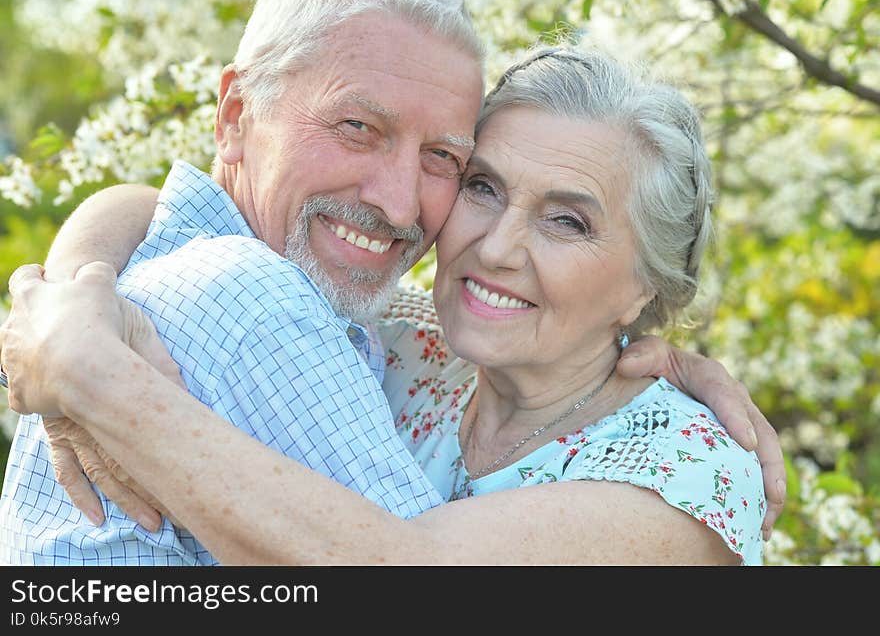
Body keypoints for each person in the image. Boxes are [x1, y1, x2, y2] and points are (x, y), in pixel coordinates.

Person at [3, 45, 768, 564]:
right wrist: (76, 292)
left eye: (567, 220)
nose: (497, 248)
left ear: (648, 285)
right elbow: (173, 211)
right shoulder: (409, 346)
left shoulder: (689, 475)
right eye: (481, 187)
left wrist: (94, 380)